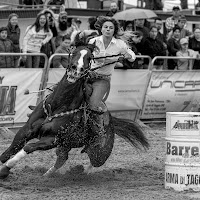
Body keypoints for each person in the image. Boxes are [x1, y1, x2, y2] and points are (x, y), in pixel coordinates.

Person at [87, 16, 136, 142]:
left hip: (103, 80)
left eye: (111, 28)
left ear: (114, 31)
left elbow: (132, 56)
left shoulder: (120, 44)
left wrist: (127, 55)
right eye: (106, 27)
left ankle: (100, 130)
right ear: (101, 29)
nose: (108, 29)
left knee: (93, 104)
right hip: (87, 76)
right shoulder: (93, 41)